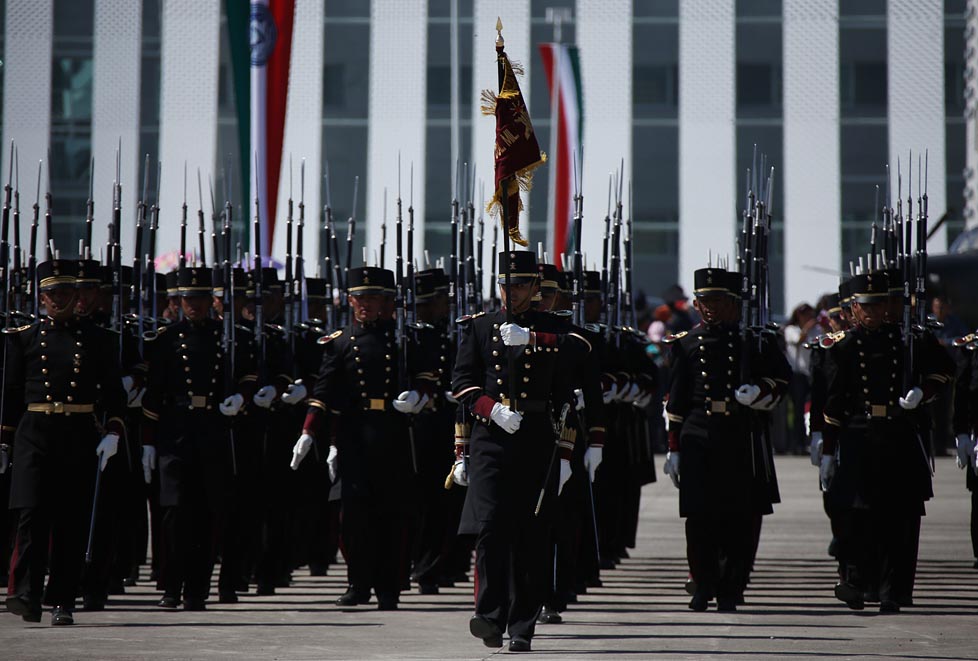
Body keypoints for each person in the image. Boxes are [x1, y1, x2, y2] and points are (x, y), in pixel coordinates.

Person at [452, 250, 591, 652]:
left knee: (531, 534)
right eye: (504, 284)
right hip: (491, 439)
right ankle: (489, 615)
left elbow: (581, 351)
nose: (510, 292)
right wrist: (490, 409)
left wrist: (533, 338)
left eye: (518, 285)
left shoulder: (552, 327)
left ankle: (522, 626)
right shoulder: (480, 327)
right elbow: (461, 383)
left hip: (536, 440)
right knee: (491, 528)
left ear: (534, 288)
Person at [291, 266, 436, 610]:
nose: (364, 304)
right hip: (355, 436)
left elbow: (429, 378)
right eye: (359, 297)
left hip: (394, 433)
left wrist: (418, 397)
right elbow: (323, 391)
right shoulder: (340, 341)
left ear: (388, 302)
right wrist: (308, 431)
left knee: (392, 517)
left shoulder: (405, 338)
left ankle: (389, 588)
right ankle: (358, 583)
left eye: (372, 297)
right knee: (354, 518)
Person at [819, 271, 953, 613]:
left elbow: (944, 369)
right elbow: (834, 402)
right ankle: (858, 583)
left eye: (878, 305)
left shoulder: (908, 340)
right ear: (854, 309)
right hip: (859, 435)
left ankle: (893, 591)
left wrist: (923, 392)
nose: (872, 313)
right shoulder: (846, 346)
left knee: (897, 518)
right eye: (865, 306)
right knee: (856, 517)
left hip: (898, 433)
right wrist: (828, 449)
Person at [3, 259, 127, 625]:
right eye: (52, 294)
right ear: (41, 298)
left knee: (69, 522)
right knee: (30, 518)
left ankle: (62, 599)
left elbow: (115, 397)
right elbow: (10, 396)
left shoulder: (99, 340)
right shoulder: (23, 338)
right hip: (34, 433)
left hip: (76, 432)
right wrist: (3, 442)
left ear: (78, 297)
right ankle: (27, 593)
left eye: (66, 294)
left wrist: (114, 432)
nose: (59, 300)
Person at [663, 266, 790, 612]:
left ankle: (732, 587)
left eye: (716, 301)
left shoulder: (755, 341)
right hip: (698, 434)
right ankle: (703, 585)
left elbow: (783, 379)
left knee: (738, 518)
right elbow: (676, 402)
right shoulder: (687, 344)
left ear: (733, 303)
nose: (708, 308)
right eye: (703, 301)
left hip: (739, 434)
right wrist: (673, 448)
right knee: (699, 518)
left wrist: (760, 391)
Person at [141, 265, 257, 611]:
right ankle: (171, 587)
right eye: (188, 298)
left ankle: (197, 590)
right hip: (175, 432)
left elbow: (248, 375)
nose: (194, 305)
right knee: (175, 514)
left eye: (201, 298)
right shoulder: (165, 339)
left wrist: (241, 396)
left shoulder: (229, 337)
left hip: (212, 429)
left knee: (207, 515)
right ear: (179, 301)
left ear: (211, 301)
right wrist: (148, 440)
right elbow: (153, 393)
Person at [783, 303, 817, 454]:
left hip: (812, 372)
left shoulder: (816, 330)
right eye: (804, 315)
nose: (807, 318)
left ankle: (811, 440)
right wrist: (806, 328)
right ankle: (797, 443)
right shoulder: (791, 330)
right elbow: (797, 340)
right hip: (797, 374)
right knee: (797, 410)